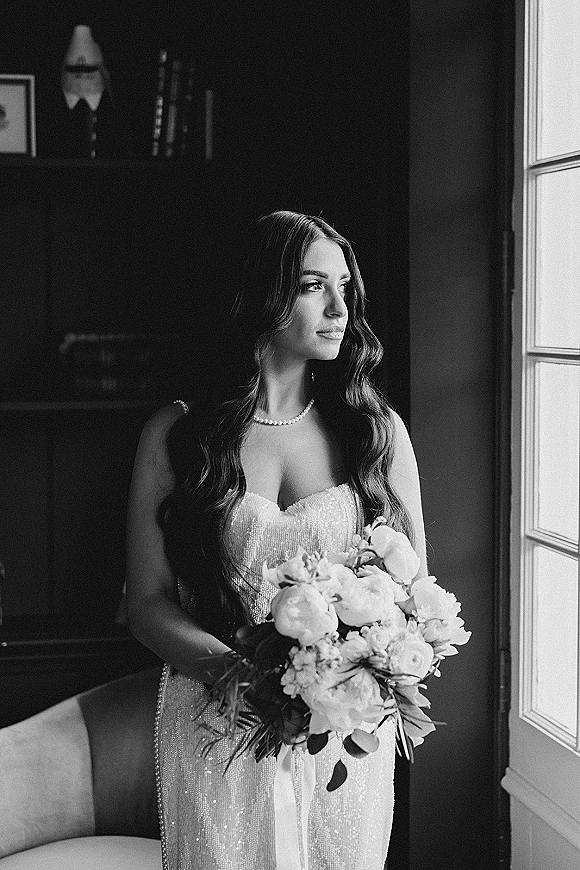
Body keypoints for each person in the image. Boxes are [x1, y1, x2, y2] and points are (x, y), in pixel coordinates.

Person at [126, 210, 427, 870]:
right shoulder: (178, 435)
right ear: (261, 295)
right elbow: (144, 601)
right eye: (313, 285)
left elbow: (415, 600)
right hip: (218, 723)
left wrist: (350, 676)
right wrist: (226, 670)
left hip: (340, 736)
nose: (338, 307)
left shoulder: (373, 433)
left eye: (344, 287)